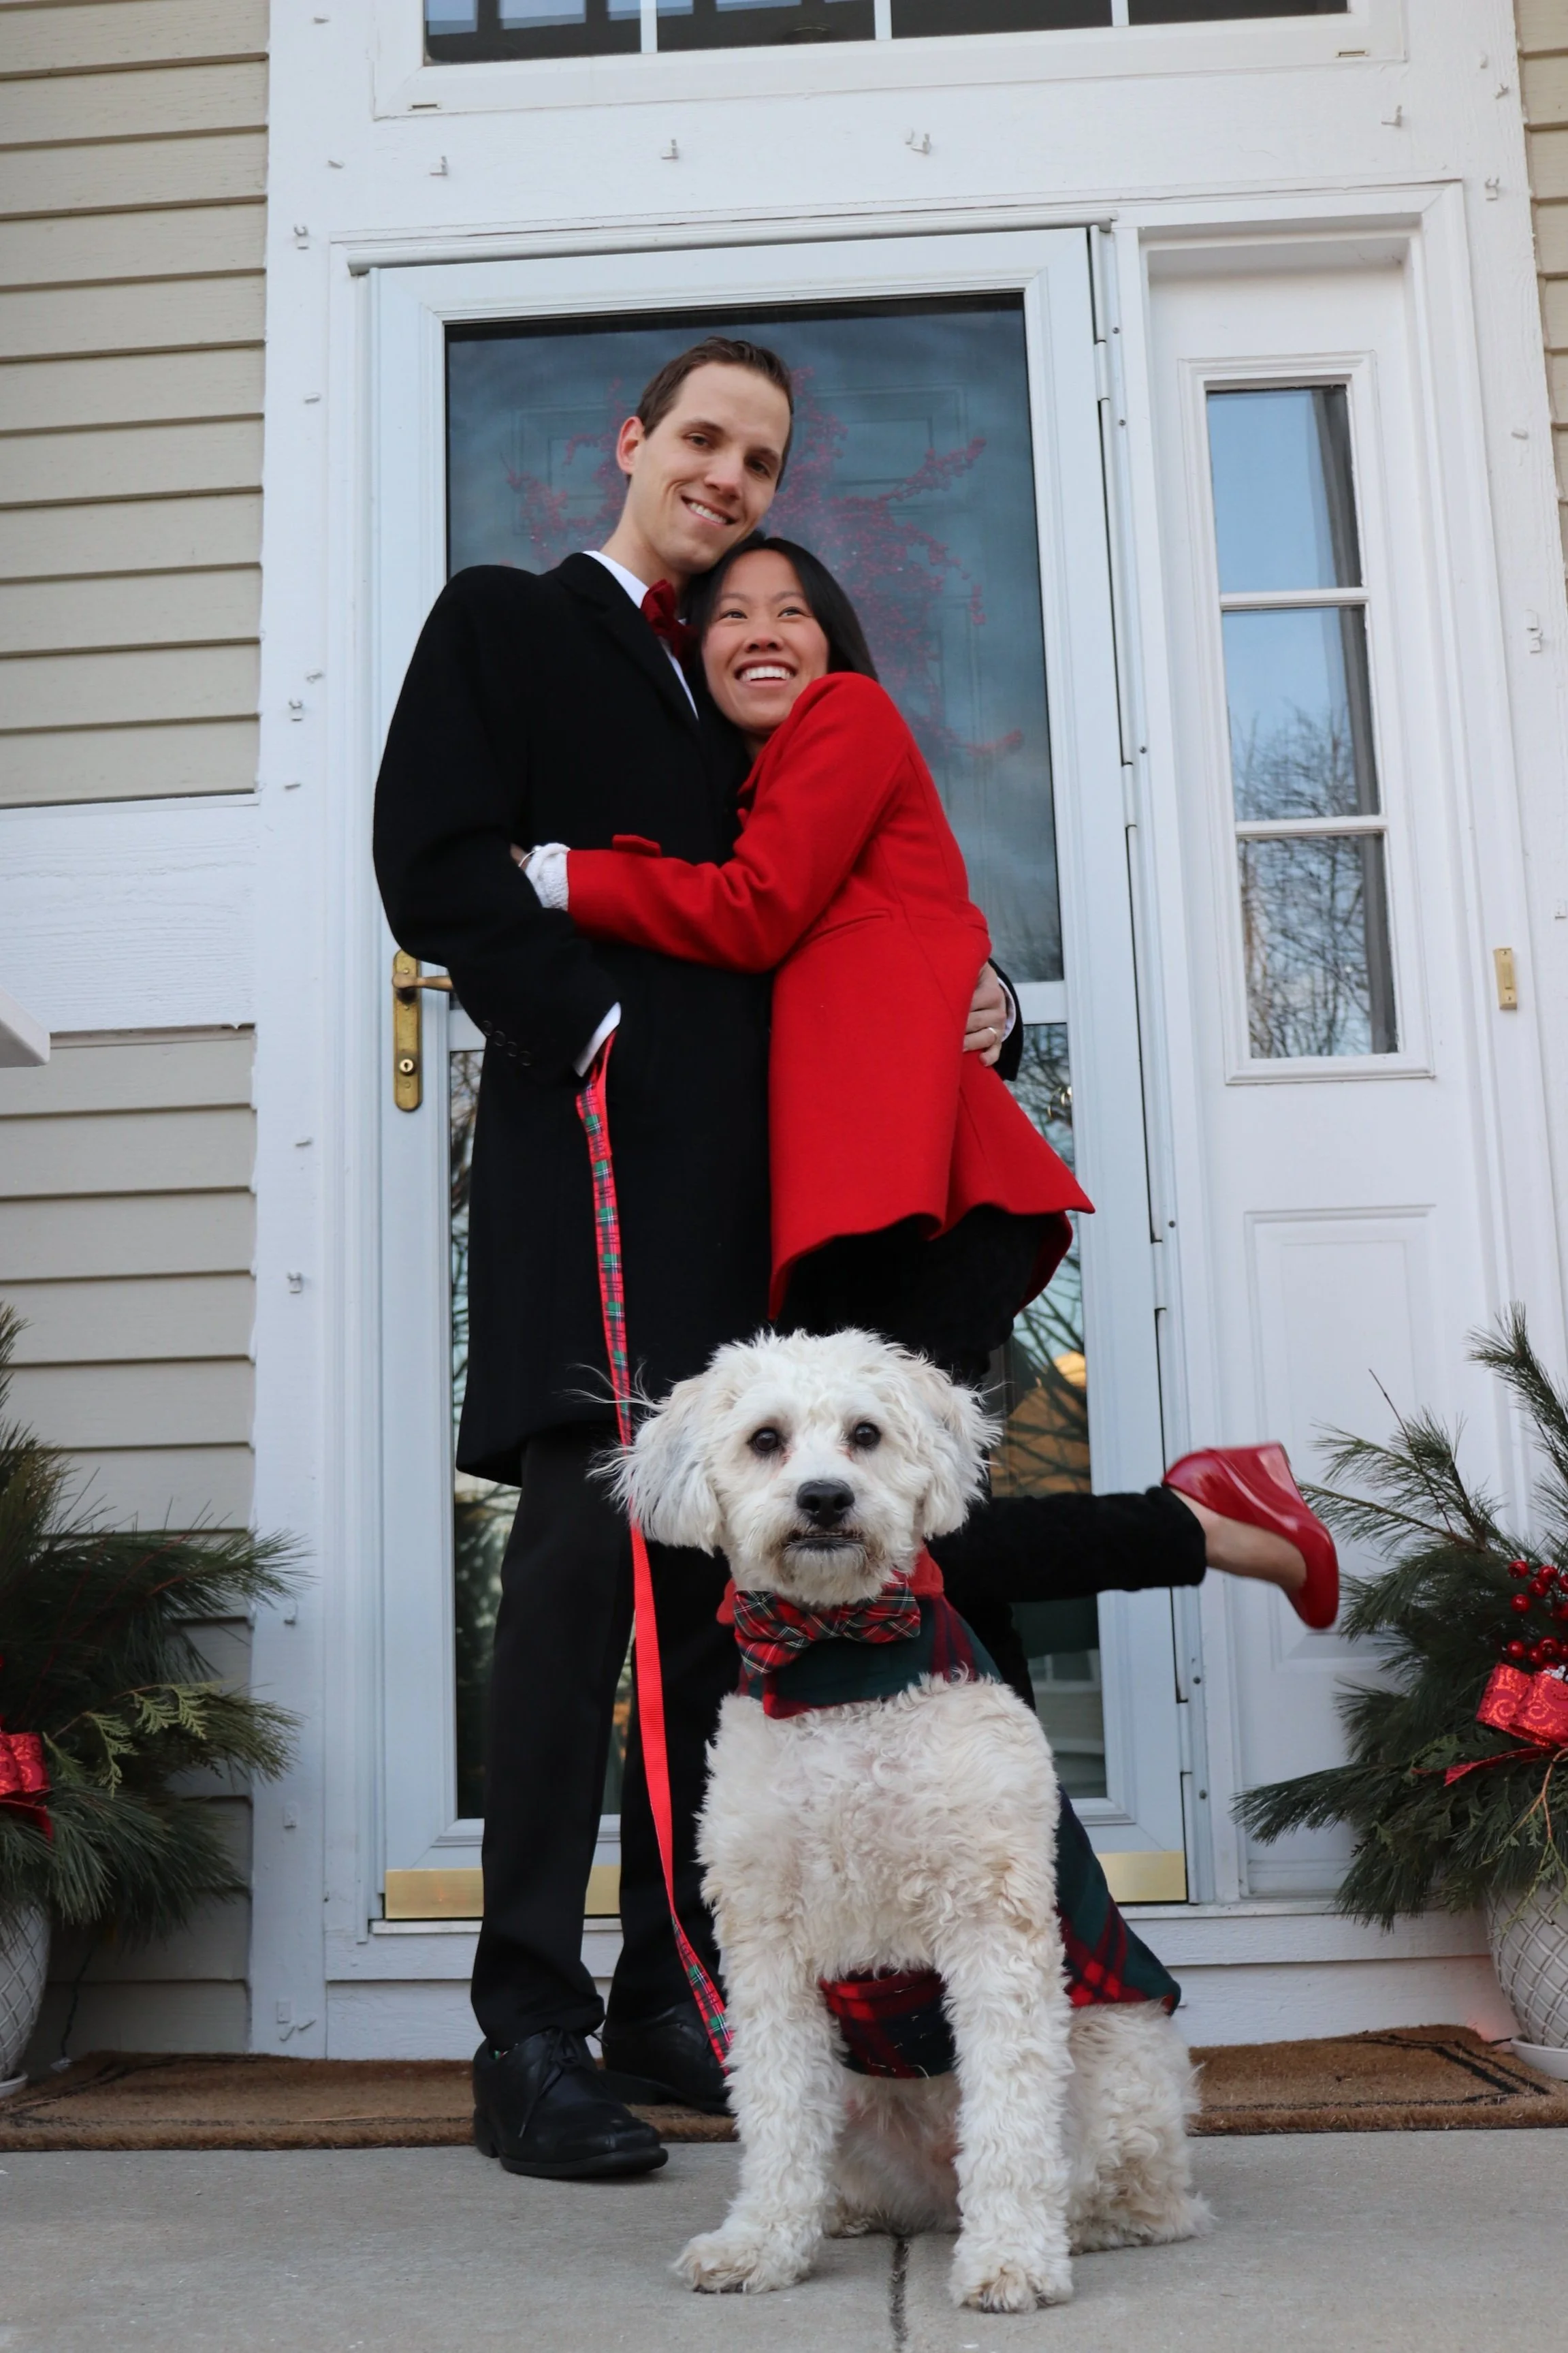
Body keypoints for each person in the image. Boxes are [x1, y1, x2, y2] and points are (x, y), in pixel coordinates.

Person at [373, 339, 1019, 2183]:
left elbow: (838, 897)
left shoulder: (746, 687)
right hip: (588, 1148)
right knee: (582, 1548)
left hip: (749, 1197)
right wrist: (574, 1024)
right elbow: (429, 854)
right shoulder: (504, 620)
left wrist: (969, 1000)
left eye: (763, 459)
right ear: (633, 442)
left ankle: (671, 1986)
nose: (731, 474)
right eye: (705, 441)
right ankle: (529, 2020)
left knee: (702, 1589)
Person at [521, 535, 1338, 1715]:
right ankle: (1042, 1877)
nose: (760, 631)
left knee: (907, 1528)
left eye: (791, 611)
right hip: (857, 1206)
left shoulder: (845, 719)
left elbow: (756, 917)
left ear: (834, 640)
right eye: (730, 615)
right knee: (926, 1550)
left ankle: (1205, 1520)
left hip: (931, 1193)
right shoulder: (748, 789)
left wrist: (553, 875)